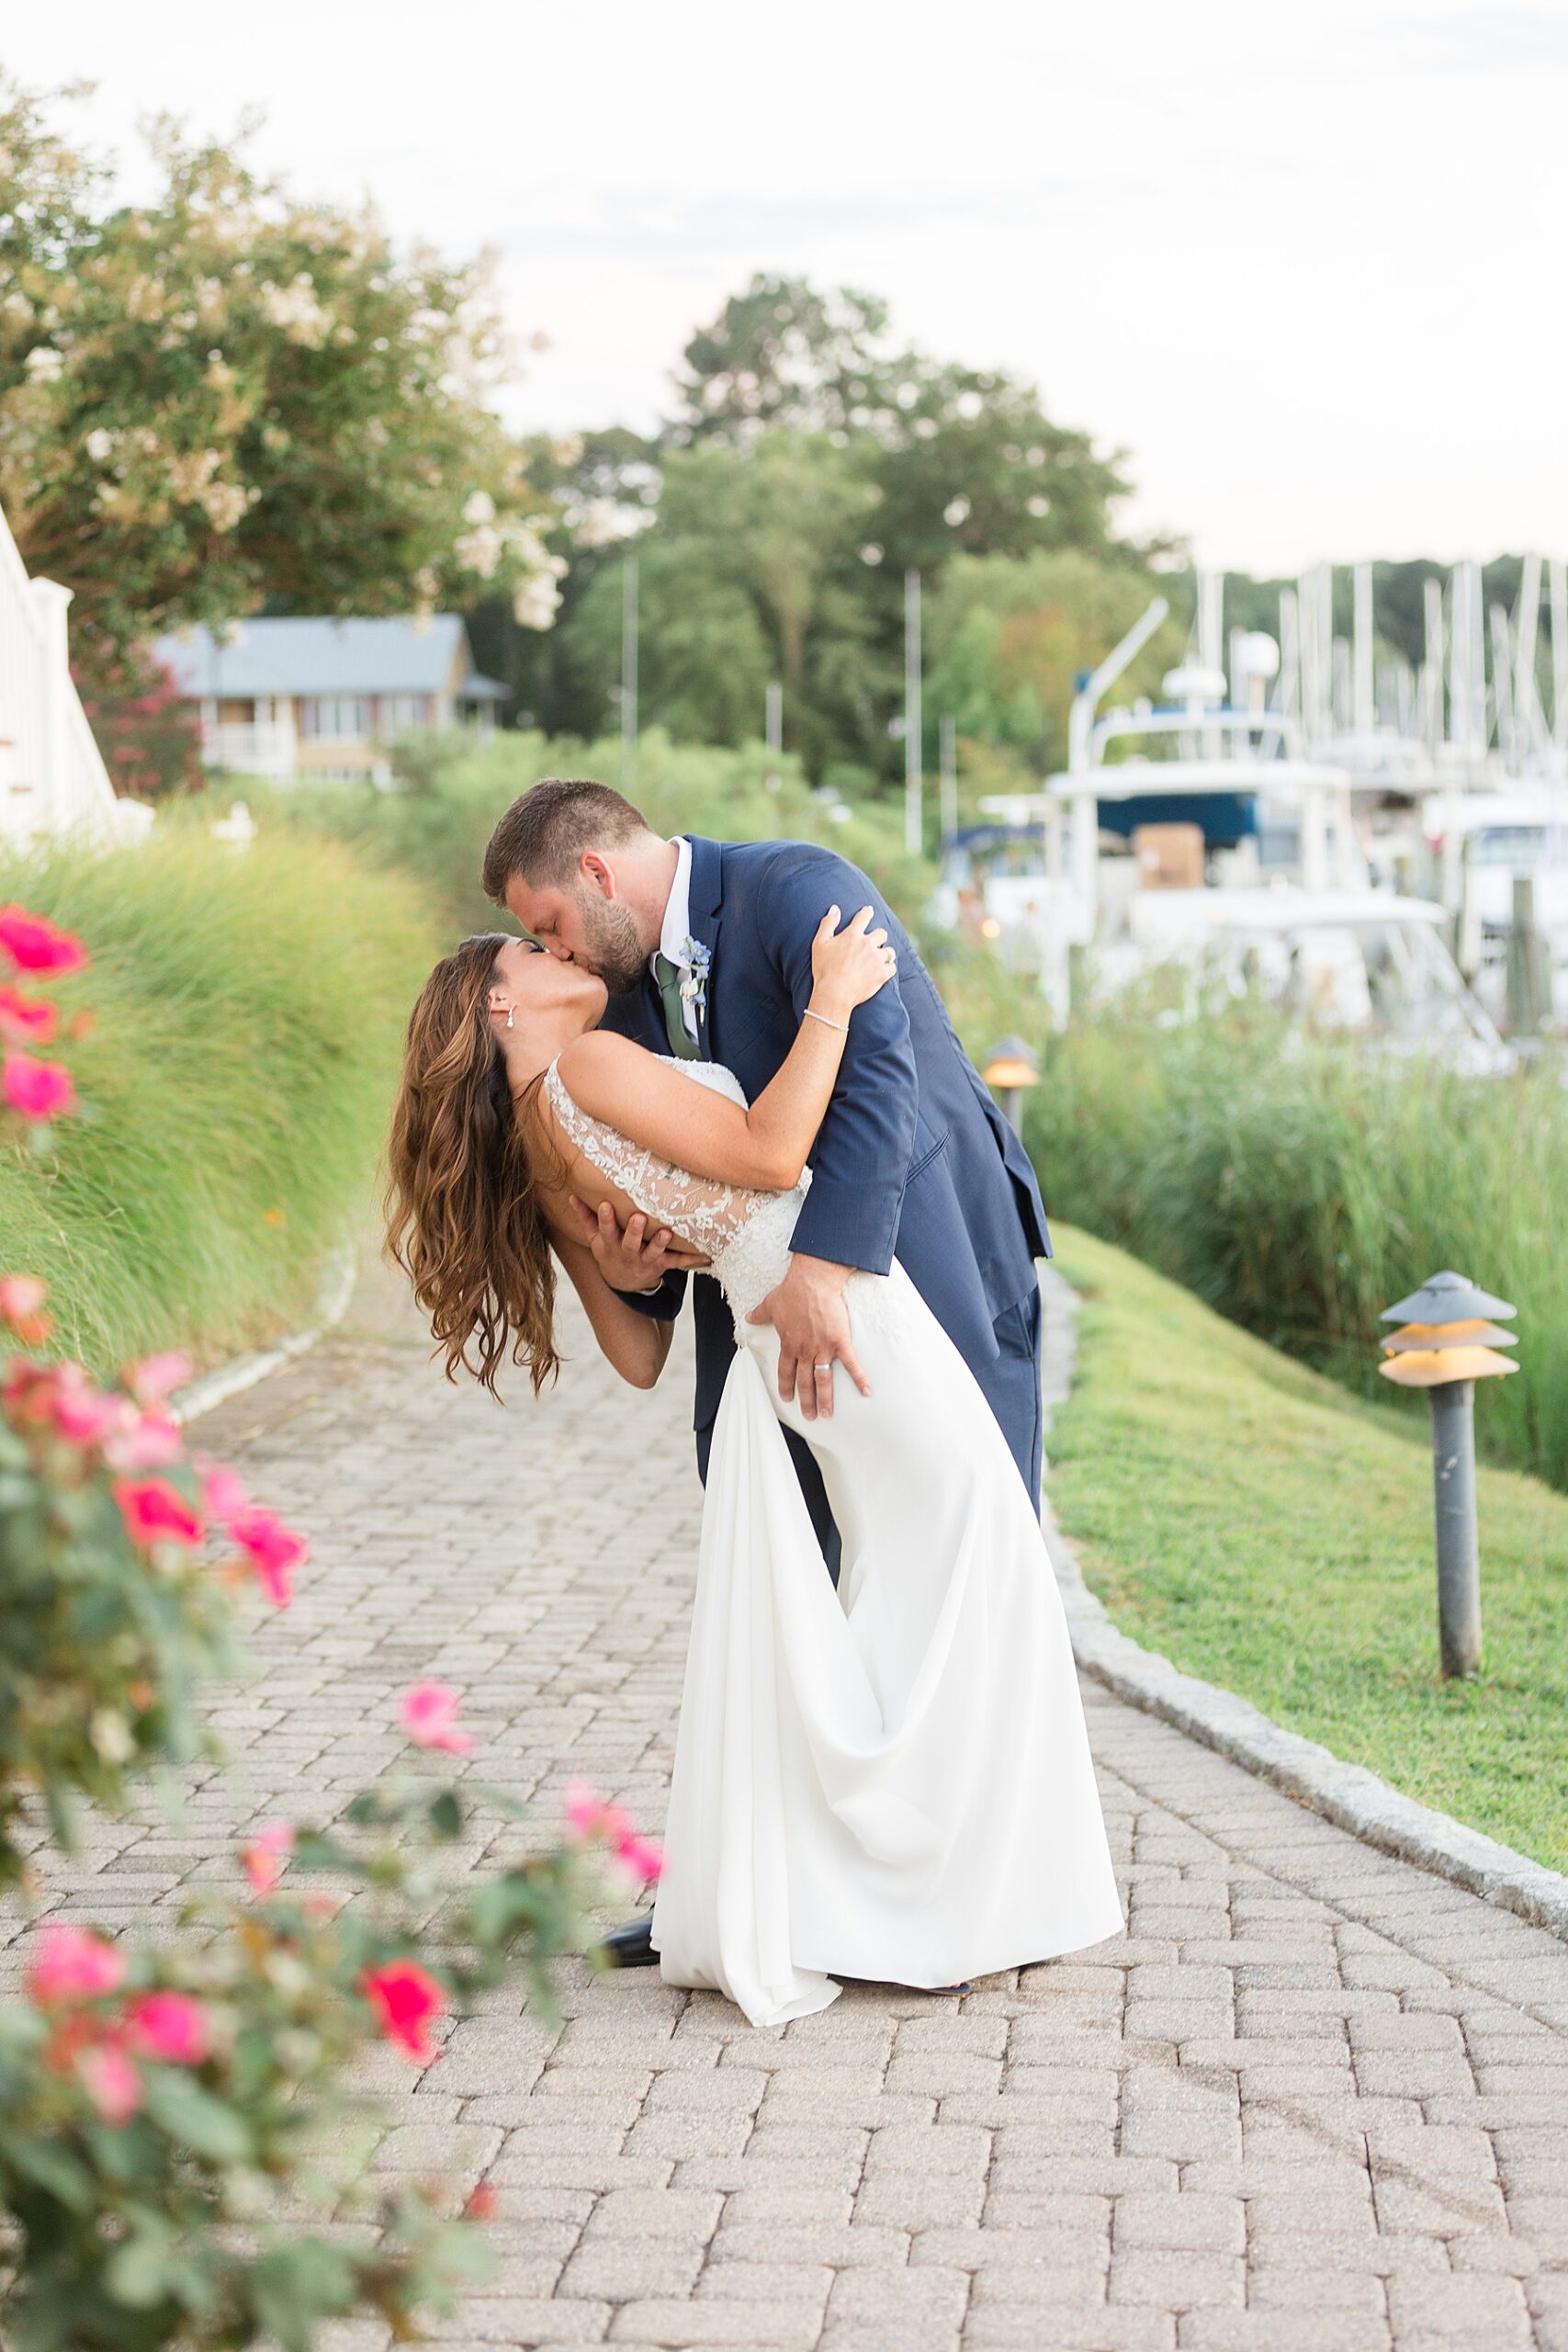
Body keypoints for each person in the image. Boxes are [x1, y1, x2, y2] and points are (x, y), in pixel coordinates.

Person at [384, 863, 1124, 2029]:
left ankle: (886, 1881)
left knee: (912, 1582)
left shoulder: (536, 1132)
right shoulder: (588, 1061)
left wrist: (635, 1260)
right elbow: (775, 1154)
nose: (559, 956)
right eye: (531, 949)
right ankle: (931, 1894)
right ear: (500, 1006)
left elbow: (633, 1351)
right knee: (971, 1562)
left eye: (548, 932)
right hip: (836, 1324)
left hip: (794, 1337)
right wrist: (831, 998)